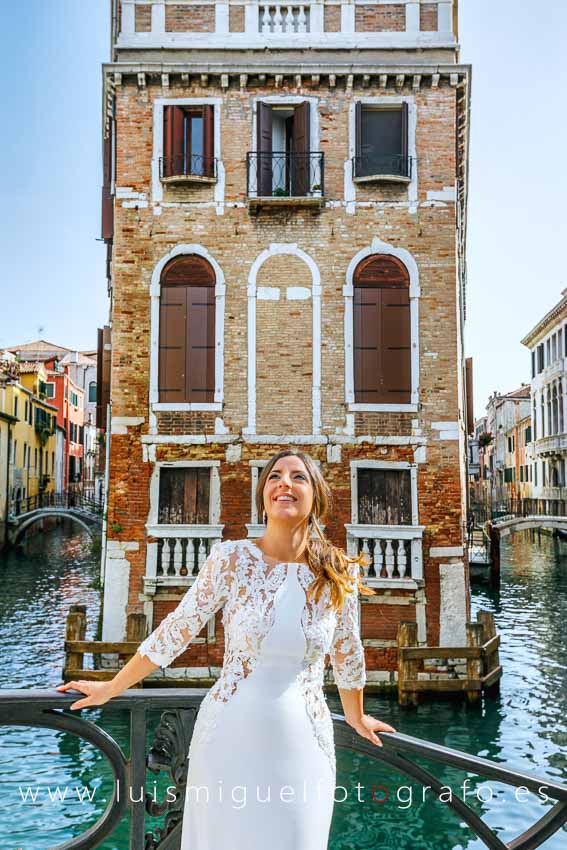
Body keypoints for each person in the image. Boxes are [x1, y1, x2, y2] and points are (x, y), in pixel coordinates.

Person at [56, 448, 397, 849]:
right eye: (275, 476)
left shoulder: (339, 572)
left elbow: (347, 652)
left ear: (316, 496)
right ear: (263, 495)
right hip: (228, 739)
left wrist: (356, 717)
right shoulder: (231, 559)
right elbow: (177, 630)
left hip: (306, 742)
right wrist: (112, 686)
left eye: (298, 477)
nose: (285, 483)